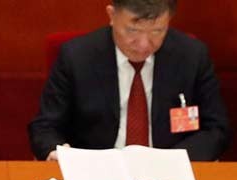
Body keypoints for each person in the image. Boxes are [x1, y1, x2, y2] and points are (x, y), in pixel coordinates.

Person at [29, 0, 230, 162]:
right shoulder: (76, 57)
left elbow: (216, 129)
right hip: (97, 172)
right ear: (111, 15)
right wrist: (57, 152)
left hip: (169, 171)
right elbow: (45, 127)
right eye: (133, 31)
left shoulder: (192, 56)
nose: (144, 44)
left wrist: (173, 161)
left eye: (157, 31)